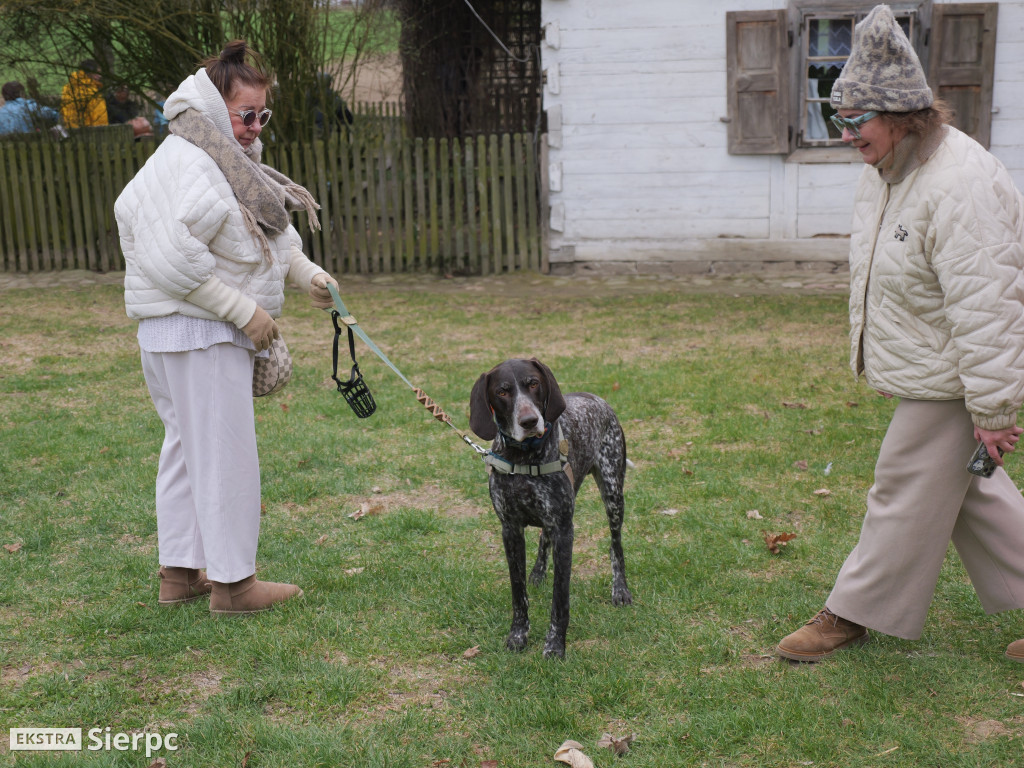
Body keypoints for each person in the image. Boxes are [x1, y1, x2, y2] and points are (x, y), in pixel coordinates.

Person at [776, 4, 1024, 665]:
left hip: (954, 374)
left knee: (902, 483)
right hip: (940, 364)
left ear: (901, 115)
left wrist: (995, 410)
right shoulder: (888, 171)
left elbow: (990, 303)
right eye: (838, 116)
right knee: (977, 497)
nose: (844, 131)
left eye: (857, 120)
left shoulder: (959, 184)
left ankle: (849, 613)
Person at [114, 40, 340, 615]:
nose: (255, 126)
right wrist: (244, 312)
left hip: (175, 335)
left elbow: (270, 234)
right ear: (217, 106)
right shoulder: (191, 161)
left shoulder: (216, 158)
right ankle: (235, 585)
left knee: (187, 451)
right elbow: (172, 257)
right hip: (201, 334)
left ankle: (180, 574)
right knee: (226, 455)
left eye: (263, 115)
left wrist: (309, 275)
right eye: (246, 114)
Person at [61, 59, 108, 128]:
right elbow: (100, 118)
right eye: (97, 73)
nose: (100, 76)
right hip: (90, 134)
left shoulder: (67, 89)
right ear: (90, 73)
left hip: (71, 132)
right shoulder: (92, 92)